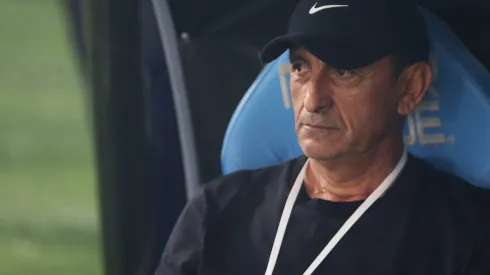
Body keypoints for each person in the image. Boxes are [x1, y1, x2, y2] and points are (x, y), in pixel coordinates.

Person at [156, 0, 490, 274]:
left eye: (345, 71)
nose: (313, 100)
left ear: (410, 87)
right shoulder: (216, 214)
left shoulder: (468, 232)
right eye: (301, 67)